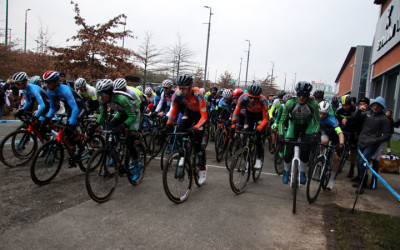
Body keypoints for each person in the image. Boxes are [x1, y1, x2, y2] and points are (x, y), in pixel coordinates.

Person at [89, 79, 142, 181]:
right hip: (122, 112)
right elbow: (103, 115)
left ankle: (137, 166)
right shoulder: (102, 100)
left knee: (129, 141)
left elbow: (131, 115)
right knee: (110, 128)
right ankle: (114, 155)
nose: (100, 96)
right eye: (99, 93)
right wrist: (95, 125)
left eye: (103, 94)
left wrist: (122, 126)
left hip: (134, 114)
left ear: (109, 93)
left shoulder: (121, 99)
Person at [166, 74, 208, 185]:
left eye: (183, 88)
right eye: (179, 87)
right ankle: (184, 152)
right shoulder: (177, 94)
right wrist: (168, 124)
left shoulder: (198, 94)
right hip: (189, 112)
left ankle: (203, 169)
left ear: (190, 86)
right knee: (179, 131)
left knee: (197, 143)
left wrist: (195, 128)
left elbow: (204, 117)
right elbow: (174, 110)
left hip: (200, 115)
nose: (181, 90)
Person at [41, 70, 87, 167]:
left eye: (48, 82)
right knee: (68, 133)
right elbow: (53, 107)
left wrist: (72, 122)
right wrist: (47, 118)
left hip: (79, 107)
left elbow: (75, 108)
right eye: (45, 82)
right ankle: (73, 155)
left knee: (70, 128)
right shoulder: (49, 91)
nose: (46, 85)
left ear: (56, 82)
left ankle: (81, 147)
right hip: (70, 108)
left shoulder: (65, 90)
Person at [278, 81, 320, 184]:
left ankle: (302, 172)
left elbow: (317, 122)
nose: (301, 97)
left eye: (304, 95)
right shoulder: (290, 103)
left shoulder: (313, 104)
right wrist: (281, 134)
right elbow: (282, 121)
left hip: (307, 125)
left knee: (305, 149)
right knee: (288, 151)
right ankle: (286, 171)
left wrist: (315, 133)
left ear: (308, 95)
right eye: (299, 95)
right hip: (294, 124)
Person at [353, 96, 391, 194]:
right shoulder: (367, 114)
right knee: (359, 161)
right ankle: (362, 179)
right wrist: (358, 110)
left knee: (363, 162)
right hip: (361, 141)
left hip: (371, 144)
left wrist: (376, 140)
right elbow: (356, 119)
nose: (375, 107)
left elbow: (387, 135)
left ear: (382, 107)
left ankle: (363, 183)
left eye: (378, 106)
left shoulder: (384, 119)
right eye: (374, 105)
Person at [232, 83, 269, 169]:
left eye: (254, 98)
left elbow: (265, 119)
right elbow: (236, 111)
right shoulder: (243, 98)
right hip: (249, 115)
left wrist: (259, 128)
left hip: (260, 115)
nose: (252, 100)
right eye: (250, 97)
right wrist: (233, 123)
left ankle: (259, 158)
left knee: (258, 136)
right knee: (245, 135)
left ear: (258, 97)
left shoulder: (263, 100)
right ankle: (248, 160)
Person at [318, 101, 345, 190]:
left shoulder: (332, 120)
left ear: (328, 113)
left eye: (324, 114)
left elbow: (340, 133)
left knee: (336, 159)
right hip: (324, 134)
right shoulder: (315, 117)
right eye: (320, 113)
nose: (321, 116)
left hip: (334, 138)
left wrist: (341, 143)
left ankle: (332, 180)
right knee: (324, 140)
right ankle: (321, 155)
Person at [335, 95, 358, 178]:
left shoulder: (355, 110)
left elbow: (356, 117)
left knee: (353, 150)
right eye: (343, 105)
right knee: (339, 146)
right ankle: (337, 163)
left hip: (353, 131)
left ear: (350, 104)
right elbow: (335, 118)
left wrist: (348, 119)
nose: (344, 107)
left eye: (346, 105)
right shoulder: (339, 110)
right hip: (343, 130)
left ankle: (352, 168)